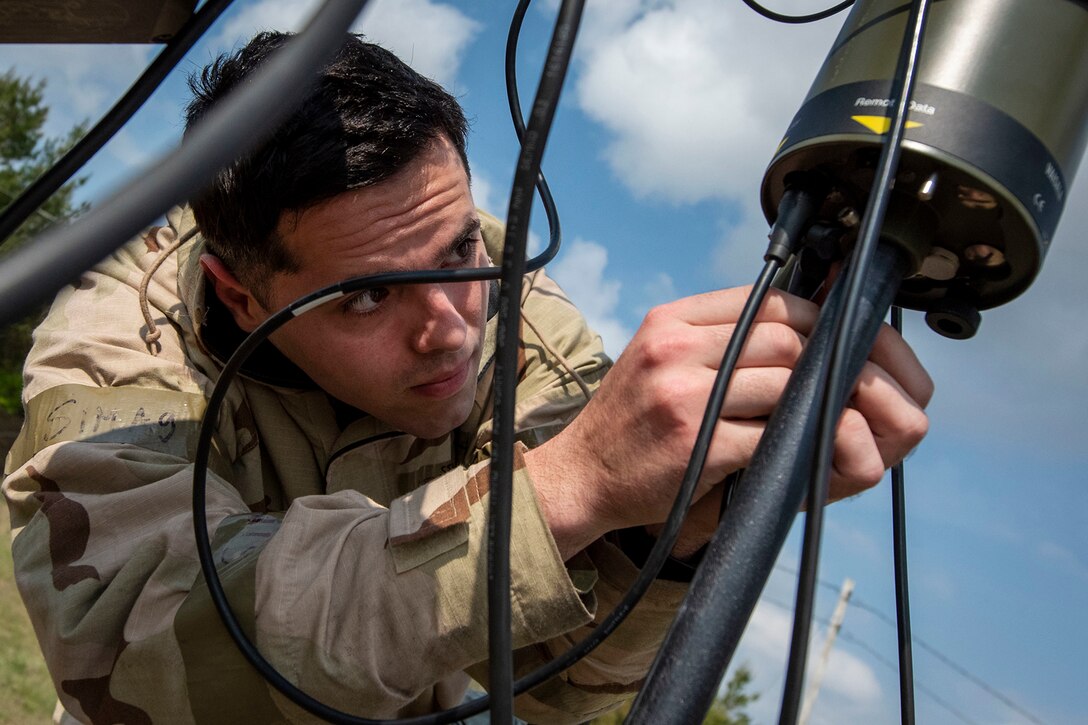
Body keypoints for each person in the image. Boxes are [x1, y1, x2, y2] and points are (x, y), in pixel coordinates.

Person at [2, 32, 932, 724]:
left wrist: (676, 527)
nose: (449, 328)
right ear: (239, 295)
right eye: (369, 300)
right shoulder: (120, 332)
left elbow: (558, 682)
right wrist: (572, 485)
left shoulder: (523, 317)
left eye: (460, 251)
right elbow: (139, 653)